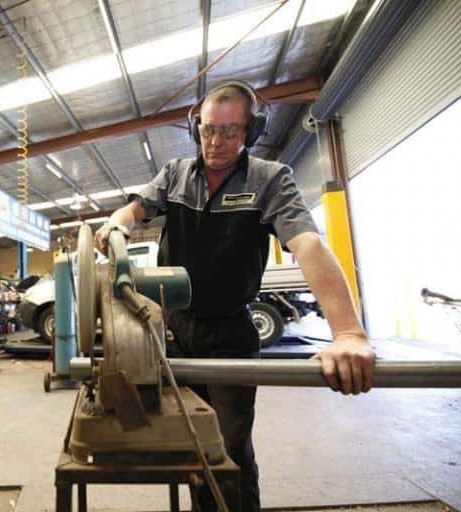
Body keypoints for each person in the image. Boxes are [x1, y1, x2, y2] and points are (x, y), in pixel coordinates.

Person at [95, 81, 375, 512]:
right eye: (208, 130)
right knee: (191, 441)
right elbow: (134, 210)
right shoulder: (174, 175)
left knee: (228, 447)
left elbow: (307, 245)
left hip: (231, 333)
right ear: (196, 129)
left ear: (250, 132)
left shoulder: (269, 180)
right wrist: (116, 223)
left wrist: (348, 333)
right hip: (177, 331)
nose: (216, 141)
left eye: (229, 131)